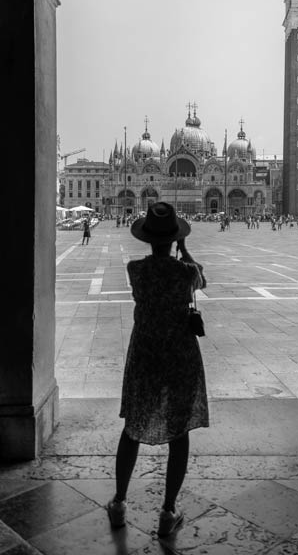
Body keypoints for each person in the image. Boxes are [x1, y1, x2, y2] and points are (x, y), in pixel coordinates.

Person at [106, 202, 209, 537]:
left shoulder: (136, 270)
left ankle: (119, 503)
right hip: (180, 354)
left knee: (132, 425)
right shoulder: (186, 273)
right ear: (175, 238)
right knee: (179, 431)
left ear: (147, 239)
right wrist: (186, 251)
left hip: (145, 353)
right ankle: (168, 511)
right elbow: (201, 280)